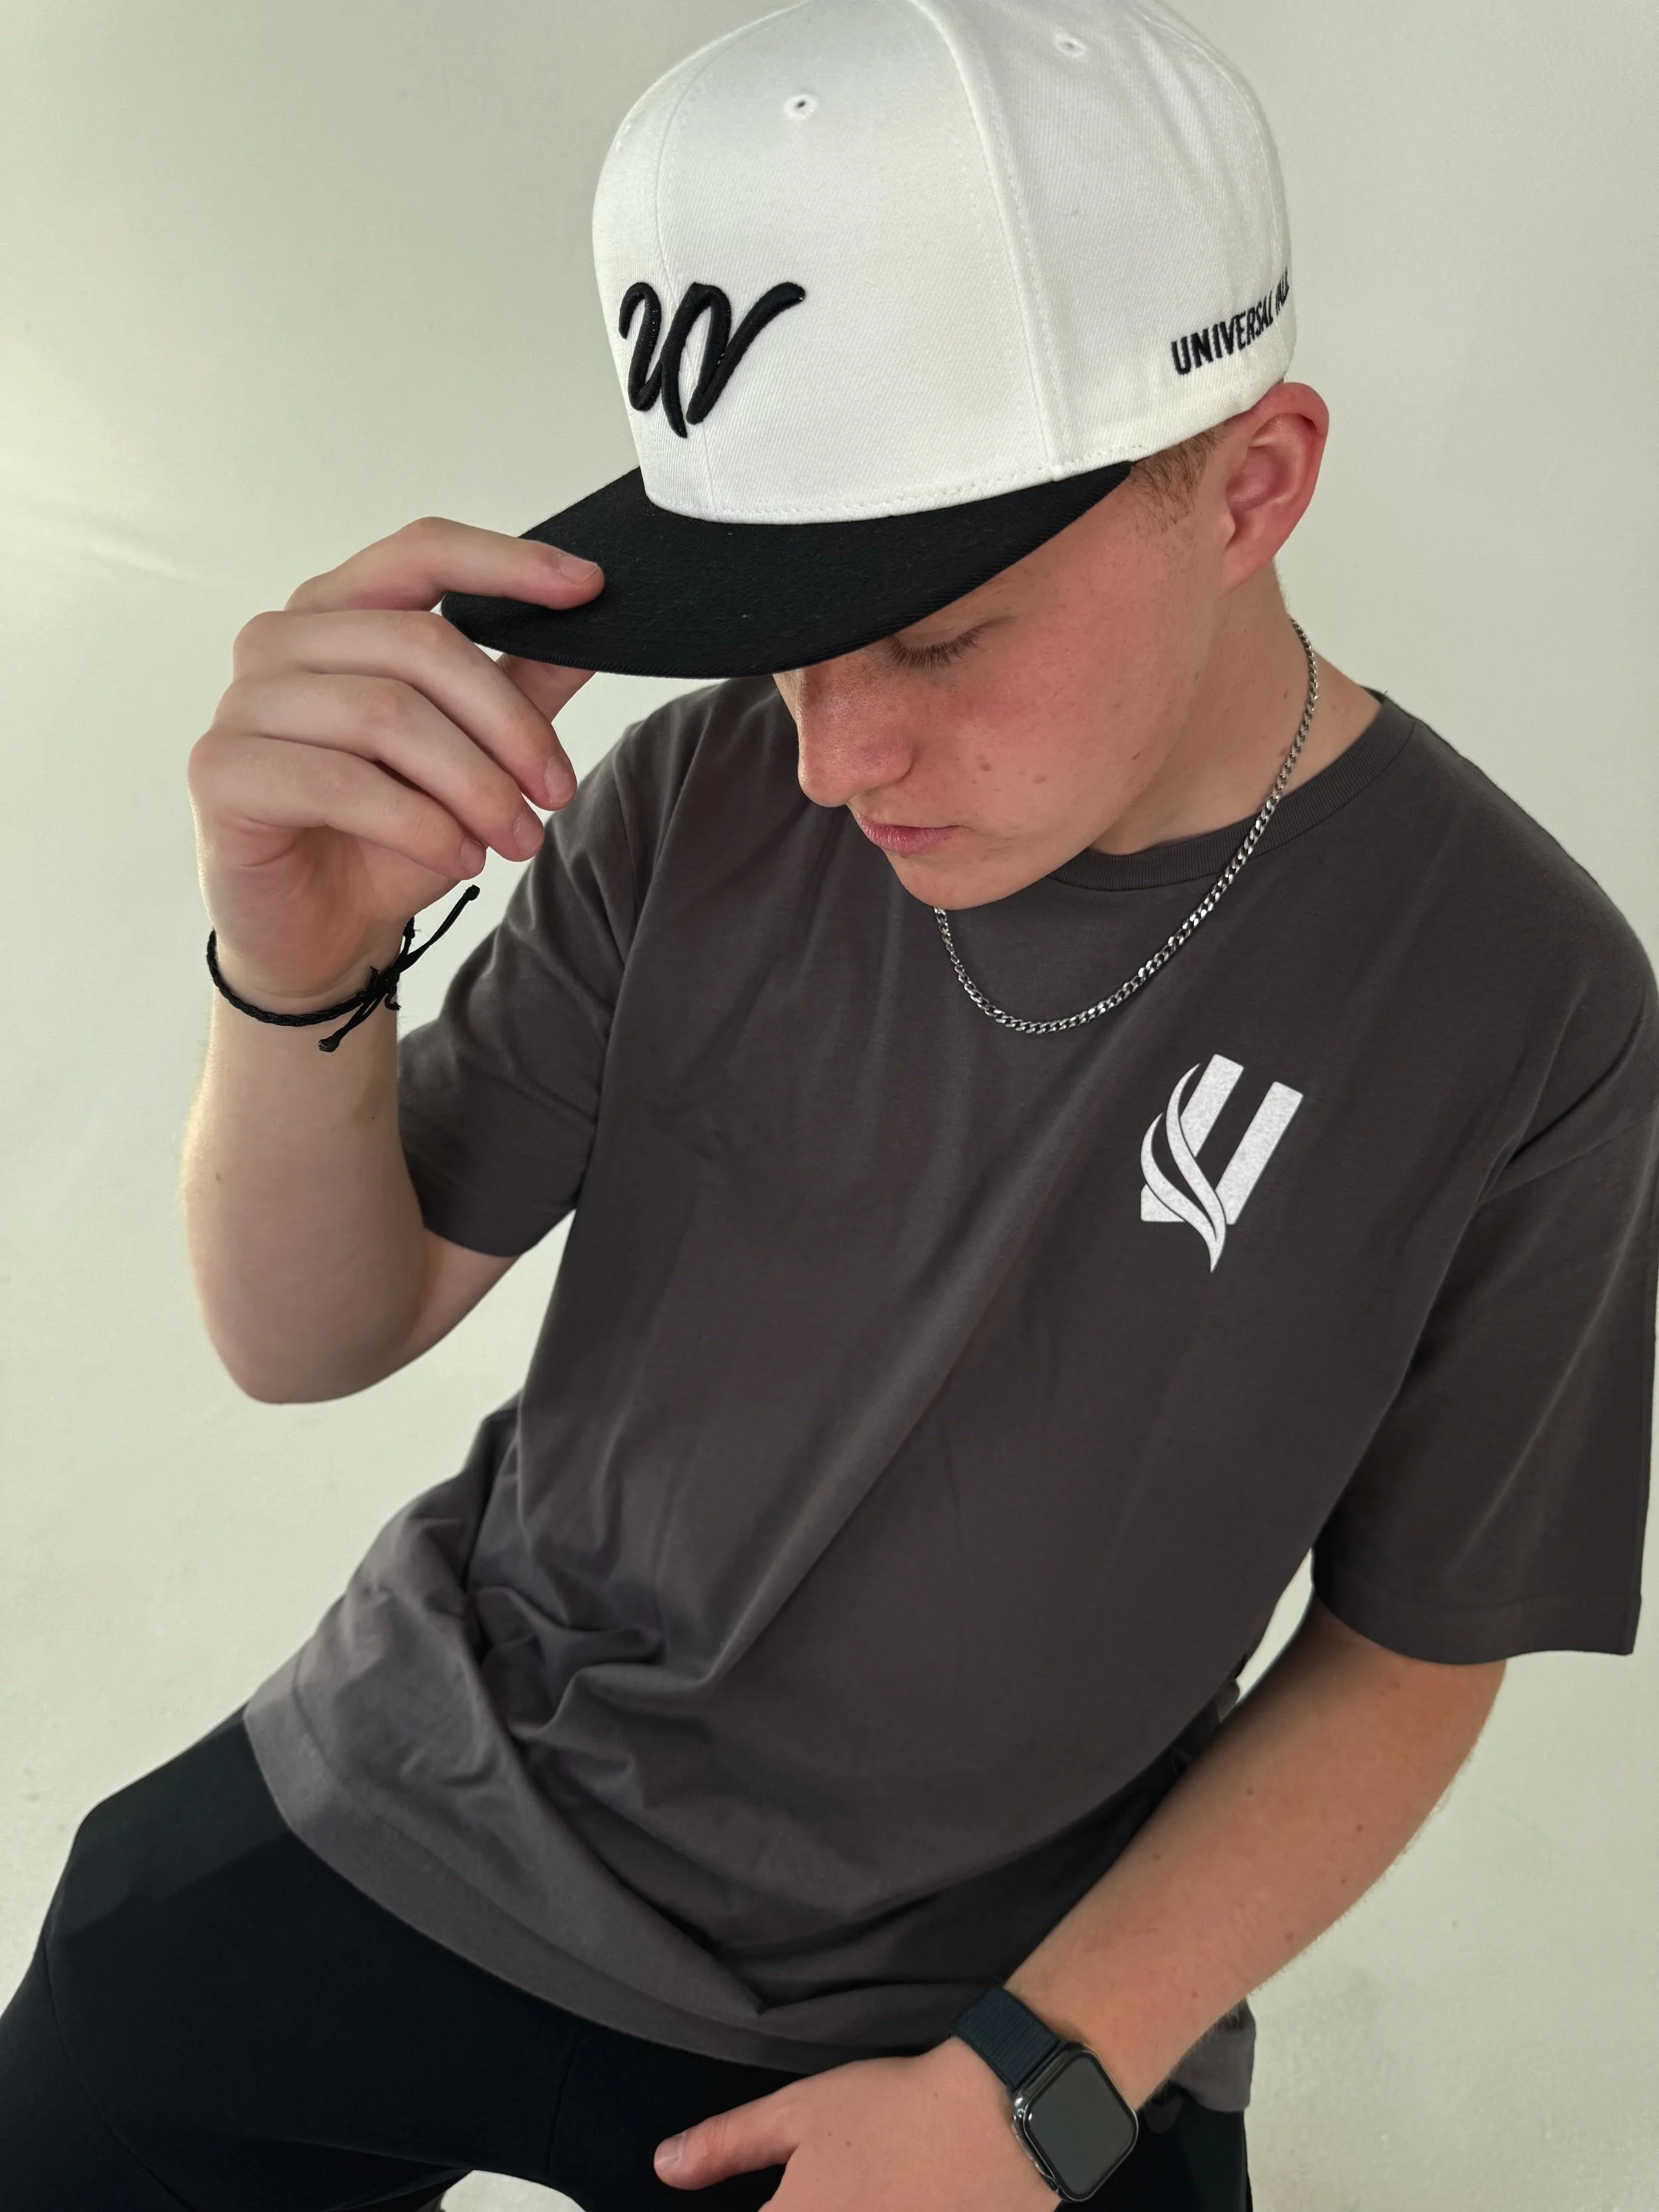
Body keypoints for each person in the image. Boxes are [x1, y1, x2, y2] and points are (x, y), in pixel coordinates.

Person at [3, 1, 1654, 2207]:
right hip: (450, 1783)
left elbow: (1409, 1643)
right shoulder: (706, 794)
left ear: (1248, 482)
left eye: (936, 636)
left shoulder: (1519, 1006)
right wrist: (295, 963)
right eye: (773, 628)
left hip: (980, 2004)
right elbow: (315, 1333)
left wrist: (1034, 2089)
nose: (828, 752)